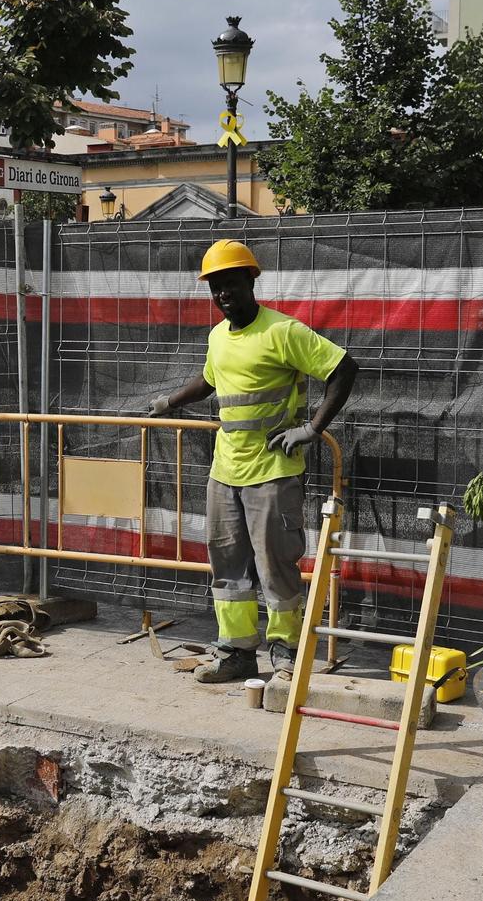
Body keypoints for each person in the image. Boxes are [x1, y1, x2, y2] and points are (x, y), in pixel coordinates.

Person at [149, 239, 358, 684]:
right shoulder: (218, 336)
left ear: (250, 281)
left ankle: (285, 654)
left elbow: (343, 368)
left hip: (272, 473)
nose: (223, 294)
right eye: (215, 287)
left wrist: (312, 429)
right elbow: (208, 381)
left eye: (231, 284)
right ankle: (236, 653)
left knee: (276, 566)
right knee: (227, 568)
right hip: (225, 473)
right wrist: (168, 401)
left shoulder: (283, 332)